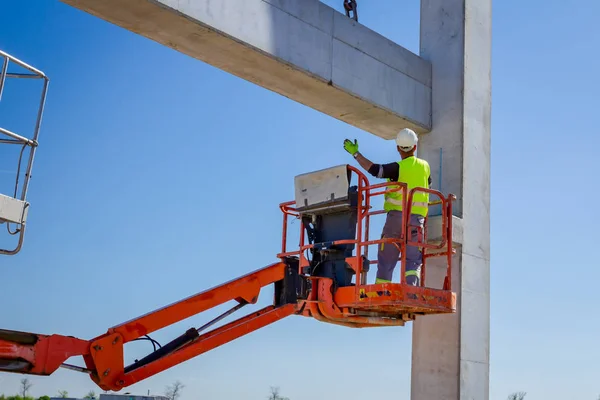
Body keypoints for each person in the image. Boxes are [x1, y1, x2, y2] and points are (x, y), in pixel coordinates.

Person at [343, 128, 431, 286]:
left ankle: (381, 290)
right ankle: (411, 291)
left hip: (396, 218)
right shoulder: (425, 166)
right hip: (417, 221)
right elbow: (428, 183)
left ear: (398, 148)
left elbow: (375, 170)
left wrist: (356, 154)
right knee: (413, 260)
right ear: (415, 147)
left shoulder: (398, 167)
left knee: (386, 258)